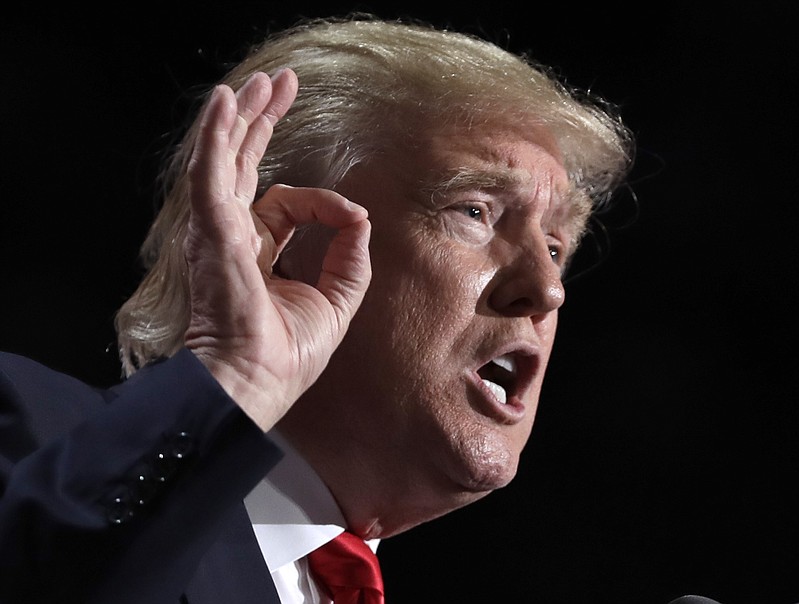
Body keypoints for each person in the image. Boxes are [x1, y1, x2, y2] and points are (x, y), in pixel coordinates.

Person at [0, 13, 699, 604]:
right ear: (282, 241)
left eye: (554, 247)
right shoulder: (31, 428)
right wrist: (236, 377)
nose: (546, 290)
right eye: (476, 211)